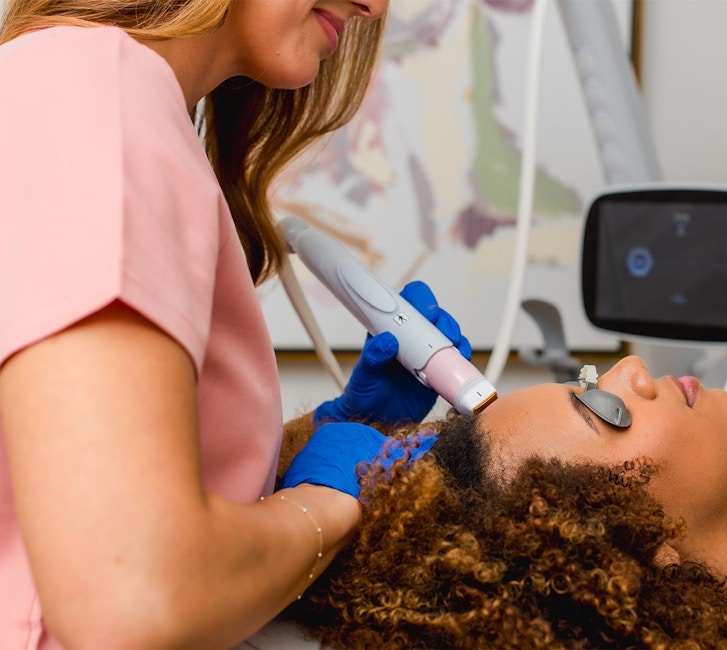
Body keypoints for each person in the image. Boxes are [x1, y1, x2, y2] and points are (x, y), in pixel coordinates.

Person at [0, 1, 474, 647]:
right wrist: (331, 501)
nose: (375, 6)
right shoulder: (99, 92)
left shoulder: (81, 86)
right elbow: (131, 598)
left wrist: (325, 442)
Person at [283, 355, 727, 649]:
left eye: (589, 380)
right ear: (637, 552)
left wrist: (318, 432)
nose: (633, 370)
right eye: (609, 411)